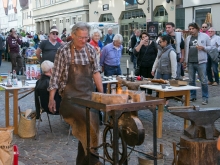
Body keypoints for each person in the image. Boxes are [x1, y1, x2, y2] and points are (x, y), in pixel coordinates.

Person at [48, 22, 103, 165]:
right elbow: (55, 76)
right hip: (70, 99)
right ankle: (94, 160)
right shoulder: (63, 51)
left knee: (94, 125)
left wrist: (102, 95)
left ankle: (83, 161)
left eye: (86, 37)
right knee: (87, 121)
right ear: (72, 36)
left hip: (88, 96)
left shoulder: (90, 50)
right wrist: (52, 98)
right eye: (80, 37)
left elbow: (96, 73)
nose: (84, 41)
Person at [184, 22, 211, 105]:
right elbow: (186, 49)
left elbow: (210, 47)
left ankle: (205, 97)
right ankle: (192, 96)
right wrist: (185, 61)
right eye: (190, 29)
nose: (191, 30)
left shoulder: (204, 36)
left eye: (193, 29)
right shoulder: (188, 38)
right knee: (191, 80)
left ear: (197, 29)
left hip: (201, 62)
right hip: (190, 62)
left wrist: (204, 48)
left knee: (203, 81)